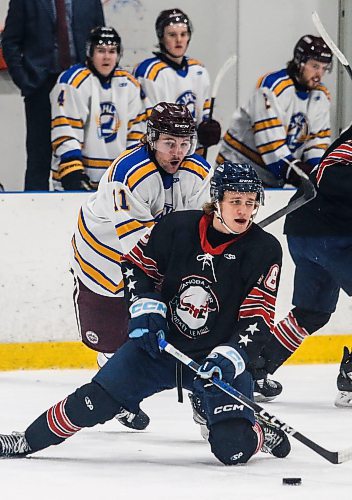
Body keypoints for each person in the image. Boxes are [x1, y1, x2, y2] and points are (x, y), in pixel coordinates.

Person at [0, 161, 291, 464]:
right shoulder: (176, 227)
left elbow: (258, 318)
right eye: (235, 202)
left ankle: (257, 431)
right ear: (216, 200)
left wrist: (229, 358)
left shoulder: (265, 249)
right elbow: (137, 267)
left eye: (250, 203)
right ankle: (26, 440)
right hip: (159, 348)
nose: (244, 210)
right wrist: (145, 310)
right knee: (92, 403)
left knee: (233, 449)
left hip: (214, 358)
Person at [70, 101, 212, 429]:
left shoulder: (199, 171)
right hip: (102, 257)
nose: (178, 152)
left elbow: (199, 227)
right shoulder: (127, 174)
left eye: (184, 143)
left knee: (193, 311)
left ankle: (203, 394)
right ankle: (114, 387)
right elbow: (137, 248)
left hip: (157, 251)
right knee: (111, 337)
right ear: (151, 139)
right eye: (169, 143)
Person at [252, 125, 352, 407]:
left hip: (306, 232)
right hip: (331, 236)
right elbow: (329, 173)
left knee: (312, 311)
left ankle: (257, 368)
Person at [1, 0, 105, 190]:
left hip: (82, 85)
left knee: (83, 150)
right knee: (39, 155)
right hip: (41, 86)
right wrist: (25, 80)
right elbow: (10, 42)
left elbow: (99, 38)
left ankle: (82, 206)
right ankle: (32, 209)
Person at [217, 35, 333, 187]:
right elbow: (270, 144)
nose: (319, 75)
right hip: (237, 169)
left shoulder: (321, 96)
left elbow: (317, 143)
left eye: (324, 68)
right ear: (300, 62)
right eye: (315, 66)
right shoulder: (272, 87)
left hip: (272, 179)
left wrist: (317, 174)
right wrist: (294, 171)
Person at [50, 26, 145, 191]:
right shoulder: (73, 81)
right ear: (90, 52)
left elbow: (136, 135)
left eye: (112, 51)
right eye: (101, 50)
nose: (107, 57)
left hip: (116, 182)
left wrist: (130, 171)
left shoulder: (130, 85)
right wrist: (73, 173)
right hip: (77, 176)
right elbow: (66, 131)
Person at [133, 8, 221, 154]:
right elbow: (148, 123)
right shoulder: (148, 72)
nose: (179, 40)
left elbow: (203, 114)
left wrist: (208, 128)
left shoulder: (199, 70)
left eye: (183, 34)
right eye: (172, 35)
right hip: (162, 155)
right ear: (161, 37)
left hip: (192, 154)